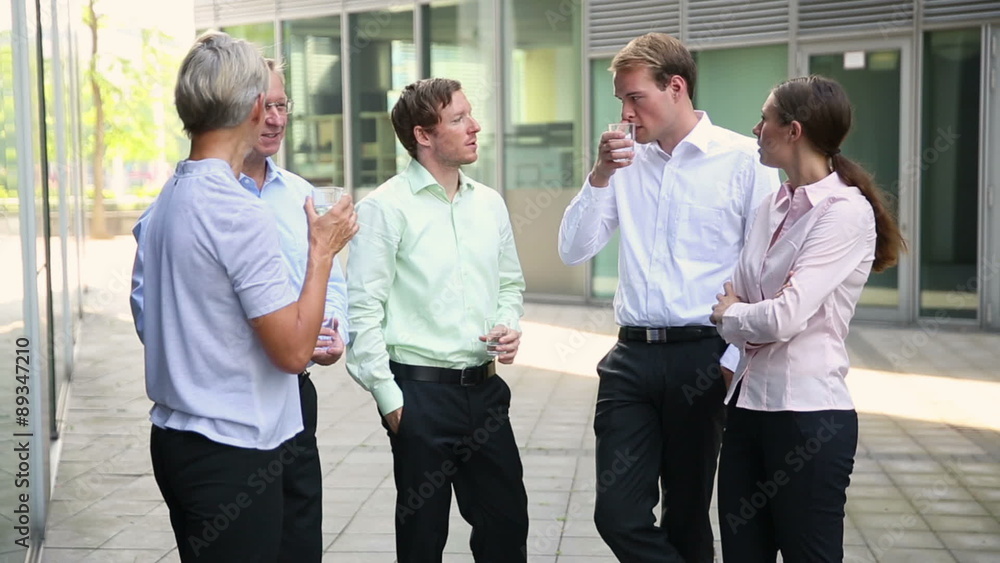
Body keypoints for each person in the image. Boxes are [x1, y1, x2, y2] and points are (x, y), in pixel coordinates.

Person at [131, 31, 357, 561]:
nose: (275, 115)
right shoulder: (237, 210)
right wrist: (322, 251)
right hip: (234, 449)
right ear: (255, 107)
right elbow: (293, 352)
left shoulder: (170, 198)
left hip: (181, 441)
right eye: (268, 102)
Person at [557, 32, 778, 562]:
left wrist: (730, 362)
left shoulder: (744, 161)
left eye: (636, 97)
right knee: (617, 514)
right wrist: (600, 175)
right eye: (621, 100)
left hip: (703, 357)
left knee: (686, 516)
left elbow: (767, 271)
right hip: (630, 358)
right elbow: (573, 249)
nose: (626, 114)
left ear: (675, 87)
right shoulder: (622, 164)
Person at [710, 75, 905, 562]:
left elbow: (782, 317)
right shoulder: (771, 205)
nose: (756, 129)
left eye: (764, 119)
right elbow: (744, 294)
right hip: (746, 410)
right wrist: (745, 314)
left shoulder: (844, 212)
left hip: (808, 420)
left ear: (793, 130)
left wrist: (733, 317)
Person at [346, 77, 528, 563]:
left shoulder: (489, 203)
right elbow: (362, 310)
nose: (475, 126)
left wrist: (508, 324)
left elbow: (510, 284)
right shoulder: (384, 208)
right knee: (422, 541)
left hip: (486, 394)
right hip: (419, 396)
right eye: (459, 118)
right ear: (423, 135)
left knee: (507, 528)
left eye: (470, 114)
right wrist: (390, 401)